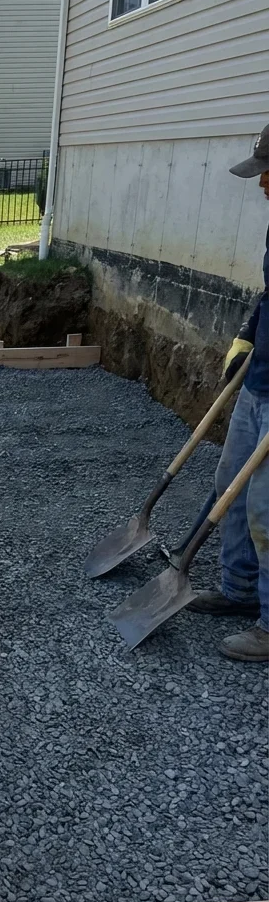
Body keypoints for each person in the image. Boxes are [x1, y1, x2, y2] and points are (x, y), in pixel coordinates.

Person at [187, 123, 269, 662]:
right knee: (230, 487)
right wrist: (247, 335)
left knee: (267, 510)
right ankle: (239, 590)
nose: (262, 183)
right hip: (259, 379)